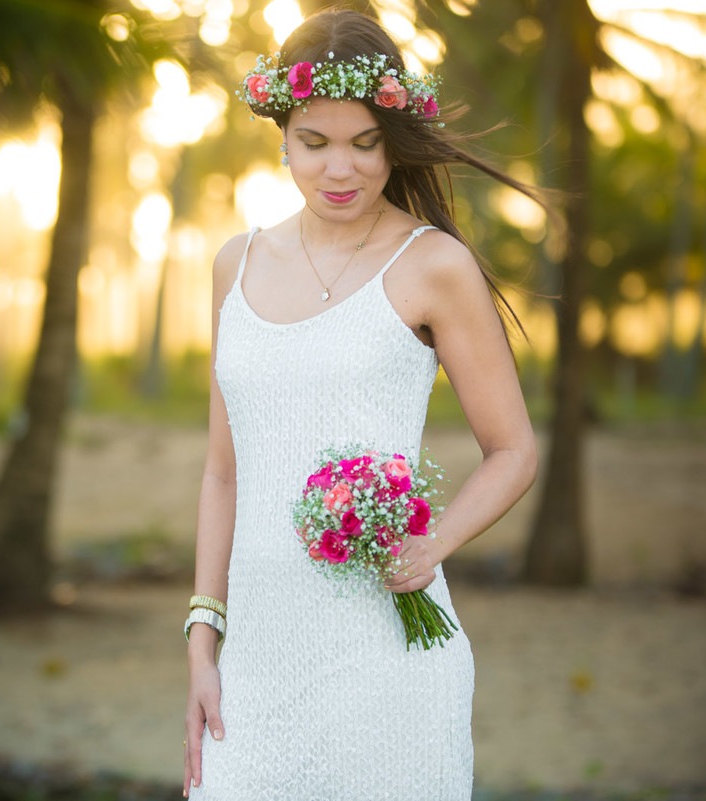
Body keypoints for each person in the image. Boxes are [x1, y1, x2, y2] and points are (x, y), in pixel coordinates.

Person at [181, 7, 543, 800]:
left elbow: (514, 449)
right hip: (256, 672)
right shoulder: (233, 266)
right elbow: (223, 474)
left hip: (389, 666)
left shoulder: (434, 265)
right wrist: (203, 641)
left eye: (364, 143)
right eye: (314, 142)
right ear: (282, 133)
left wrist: (432, 544)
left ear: (394, 139)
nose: (338, 169)